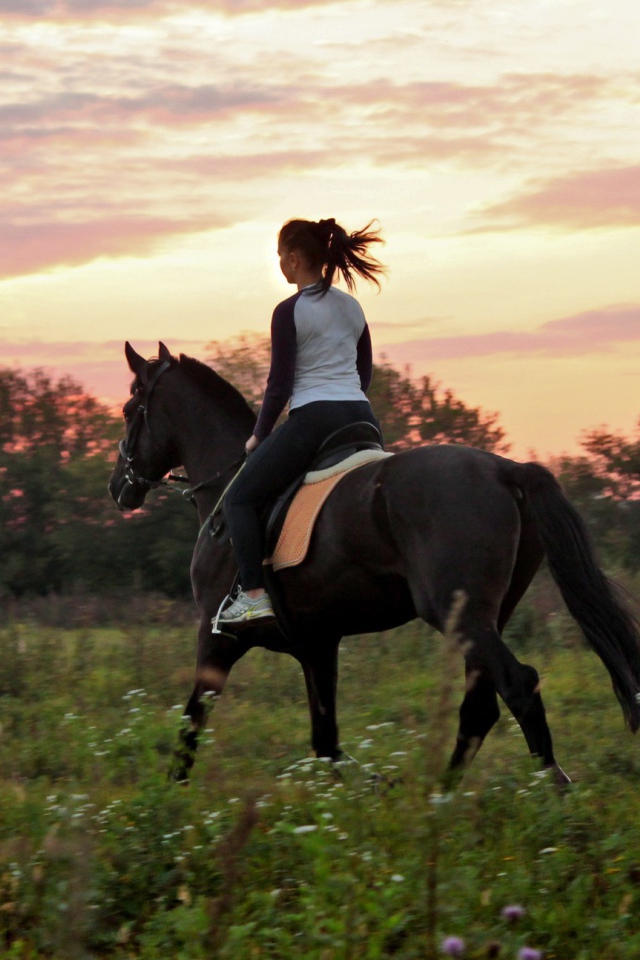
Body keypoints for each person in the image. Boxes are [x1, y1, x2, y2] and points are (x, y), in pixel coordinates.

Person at [219, 216, 385, 626]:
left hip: (315, 419)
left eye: (279, 256)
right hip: (363, 418)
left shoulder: (289, 311)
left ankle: (254, 594)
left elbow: (279, 383)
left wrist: (259, 435)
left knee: (239, 498)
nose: (279, 264)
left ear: (293, 258)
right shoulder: (353, 306)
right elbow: (365, 371)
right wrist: (347, 394)